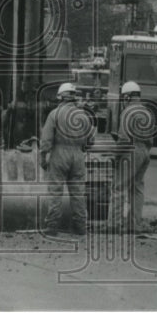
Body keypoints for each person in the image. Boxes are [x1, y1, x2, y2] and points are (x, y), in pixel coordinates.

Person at [39, 82, 93, 236]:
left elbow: (46, 140)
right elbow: (90, 140)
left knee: (55, 191)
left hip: (59, 154)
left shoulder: (54, 114)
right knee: (78, 192)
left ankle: (52, 226)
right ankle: (80, 227)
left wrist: (43, 158)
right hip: (78, 155)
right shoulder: (83, 115)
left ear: (60, 97)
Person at [111, 81, 154, 232]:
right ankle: (134, 224)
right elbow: (151, 139)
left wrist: (116, 158)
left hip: (131, 151)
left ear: (127, 97)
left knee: (119, 188)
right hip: (145, 152)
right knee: (137, 189)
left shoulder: (127, 112)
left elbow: (123, 139)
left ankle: (114, 224)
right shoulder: (147, 112)